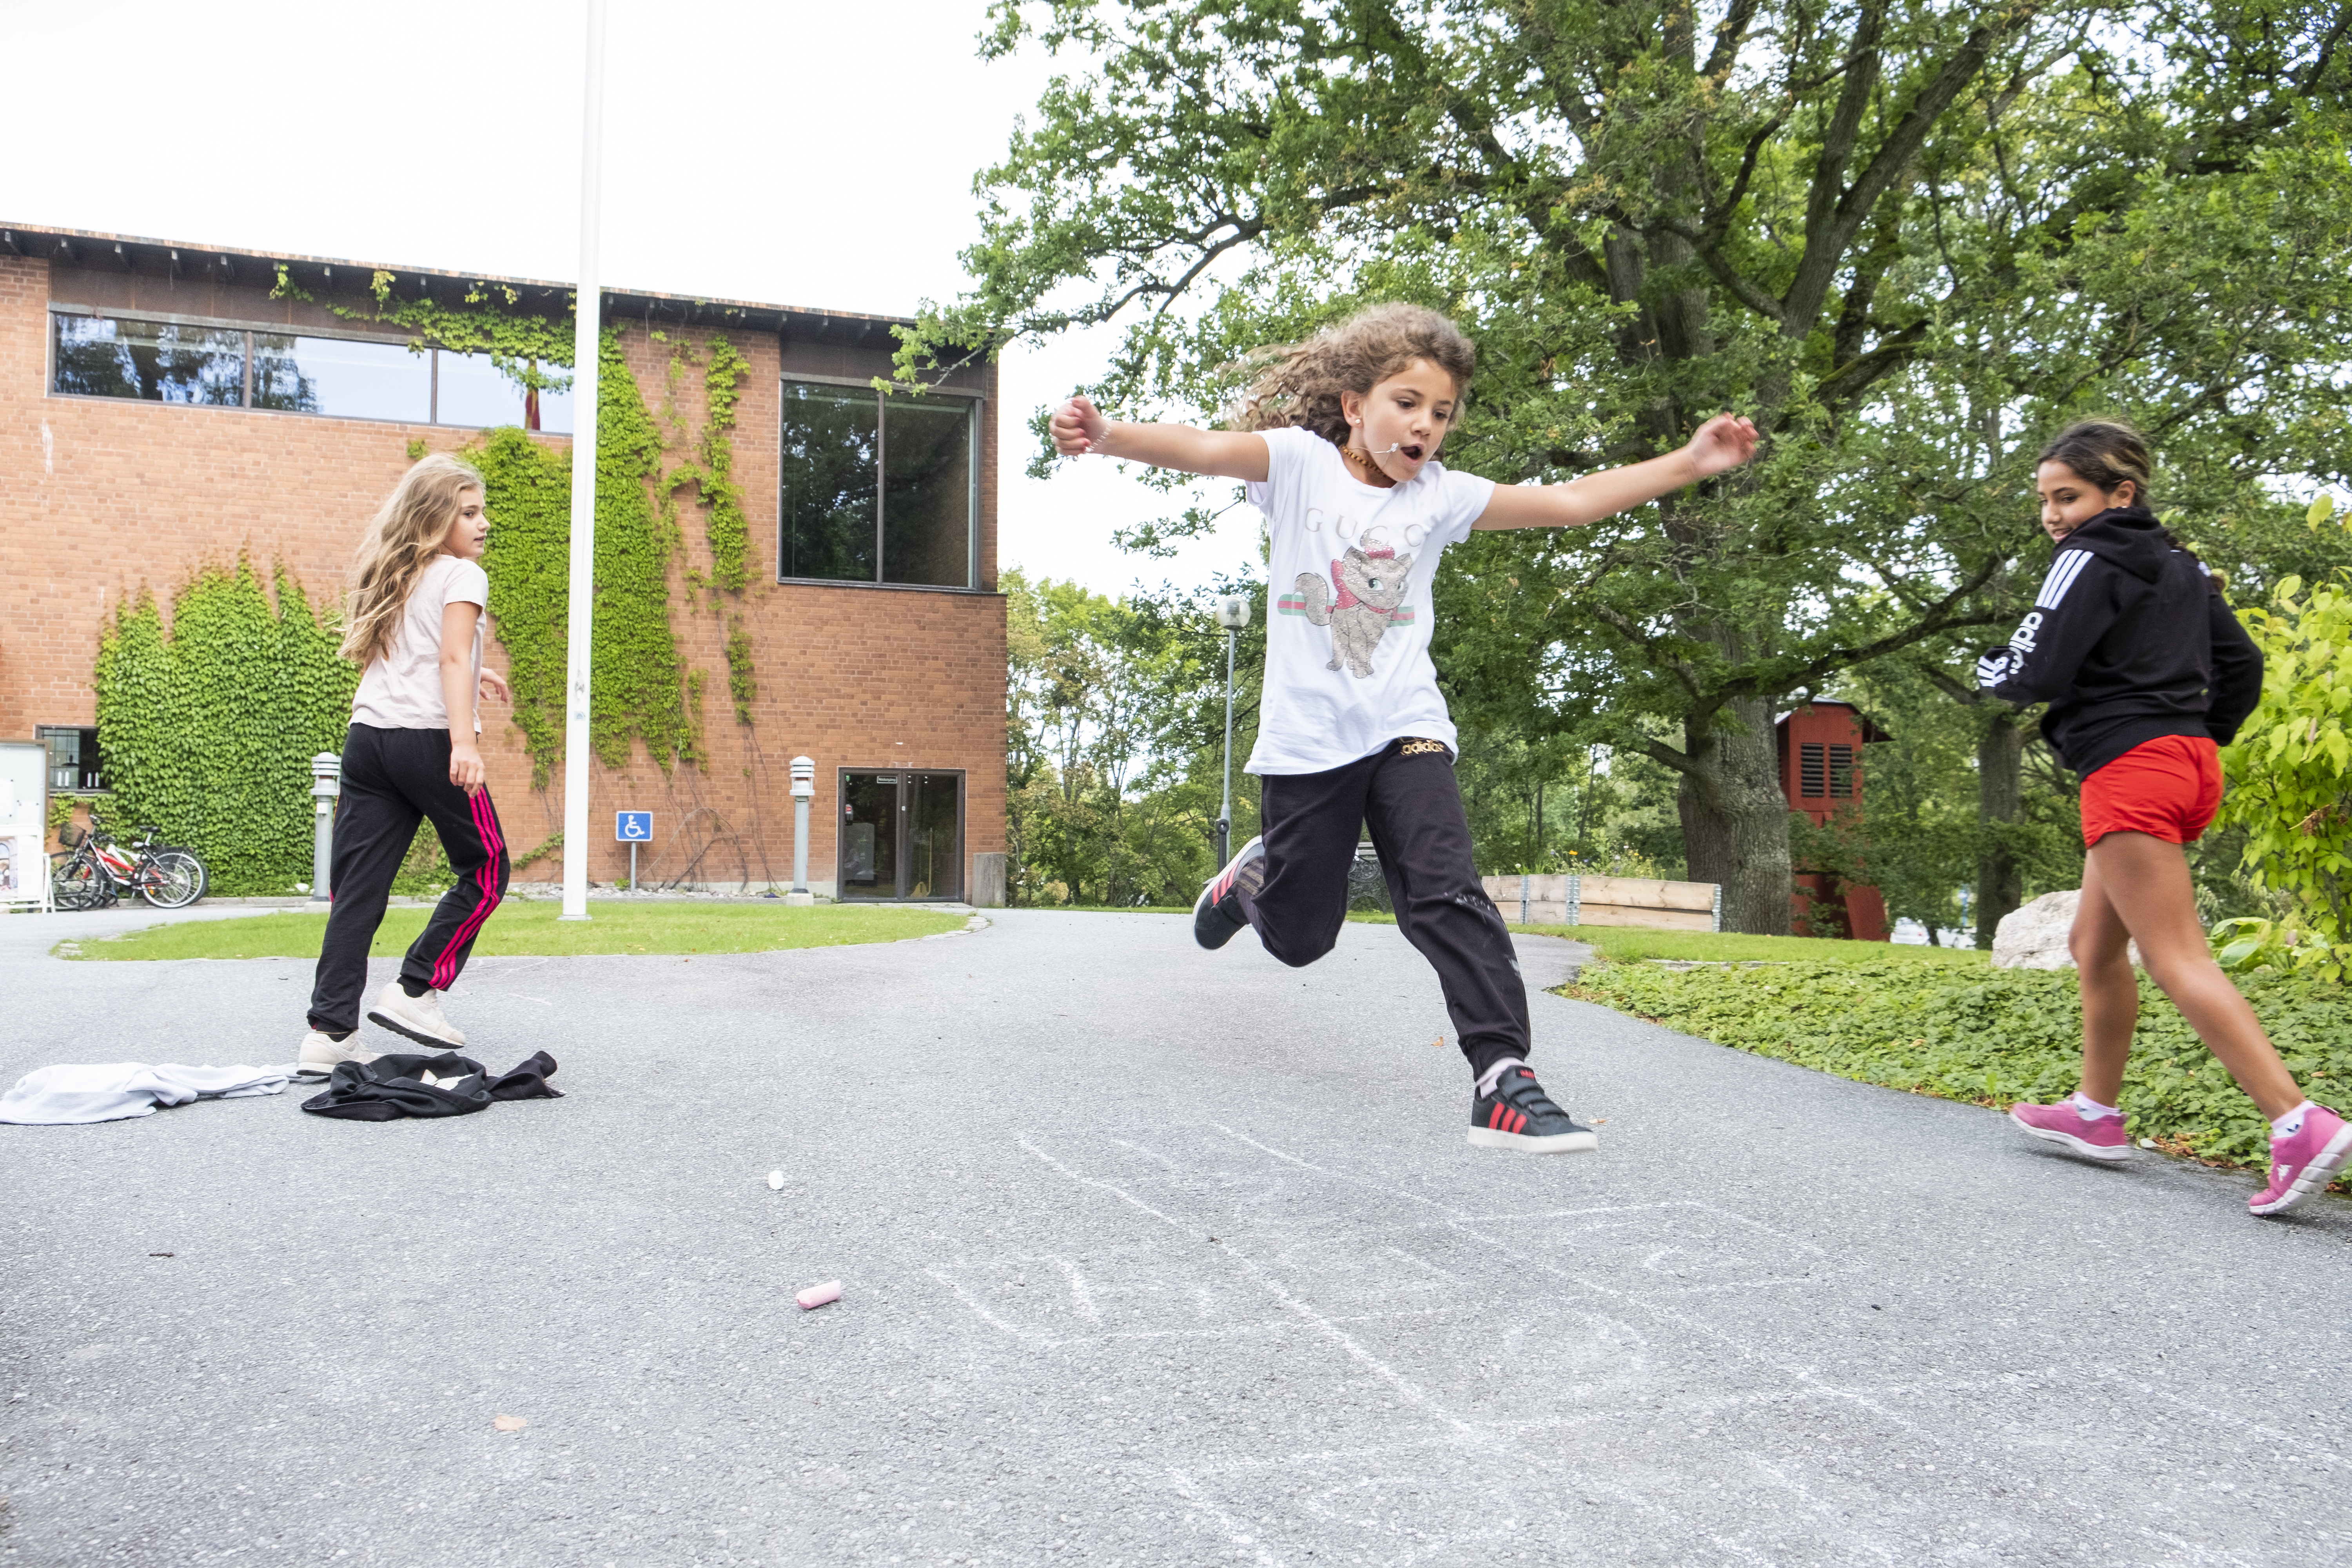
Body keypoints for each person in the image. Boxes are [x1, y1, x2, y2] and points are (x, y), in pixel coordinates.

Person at [1051, 303, 1758, 1152]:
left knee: (1445, 889)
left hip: (1406, 726)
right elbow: (1203, 448)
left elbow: (1571, 501)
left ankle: (1502, 1078)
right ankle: (1251, 883)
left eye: (1442, 412)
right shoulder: (1299, 464)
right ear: (1355, 406)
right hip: (1310, 744)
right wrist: (1108, 432)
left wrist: (1689, 461)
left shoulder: (1442, 497)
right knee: (1304, 940)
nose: (1425, 425)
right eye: (1407, 402)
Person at [1980, 419, 2348, 1216]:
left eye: (2067, 496)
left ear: (2122, 493)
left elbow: (2035, 664)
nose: (2053, 514)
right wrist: (2193, 731)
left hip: (2131, 764)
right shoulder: (2181, 568)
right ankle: (2096, 1113)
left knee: (2178, 955)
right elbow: (2241, 666)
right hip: (2184, 760)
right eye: (2045, 499)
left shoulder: (2089, 554)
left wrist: (1995, 672)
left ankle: (2299, 1123)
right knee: (2093, 942)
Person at [298, 455, 512, 1077]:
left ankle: (330, 1033)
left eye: (481, 511)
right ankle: (417, 989)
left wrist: (478, 670)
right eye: (468, 512)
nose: (482, 523)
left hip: (368, 741)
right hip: (427, 743)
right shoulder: (464, 577)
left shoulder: (395, 570)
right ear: (436, 516)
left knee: (356, 892)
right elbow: (447, 657)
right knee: (488, 865)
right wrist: (463, 742)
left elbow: (417, 654)